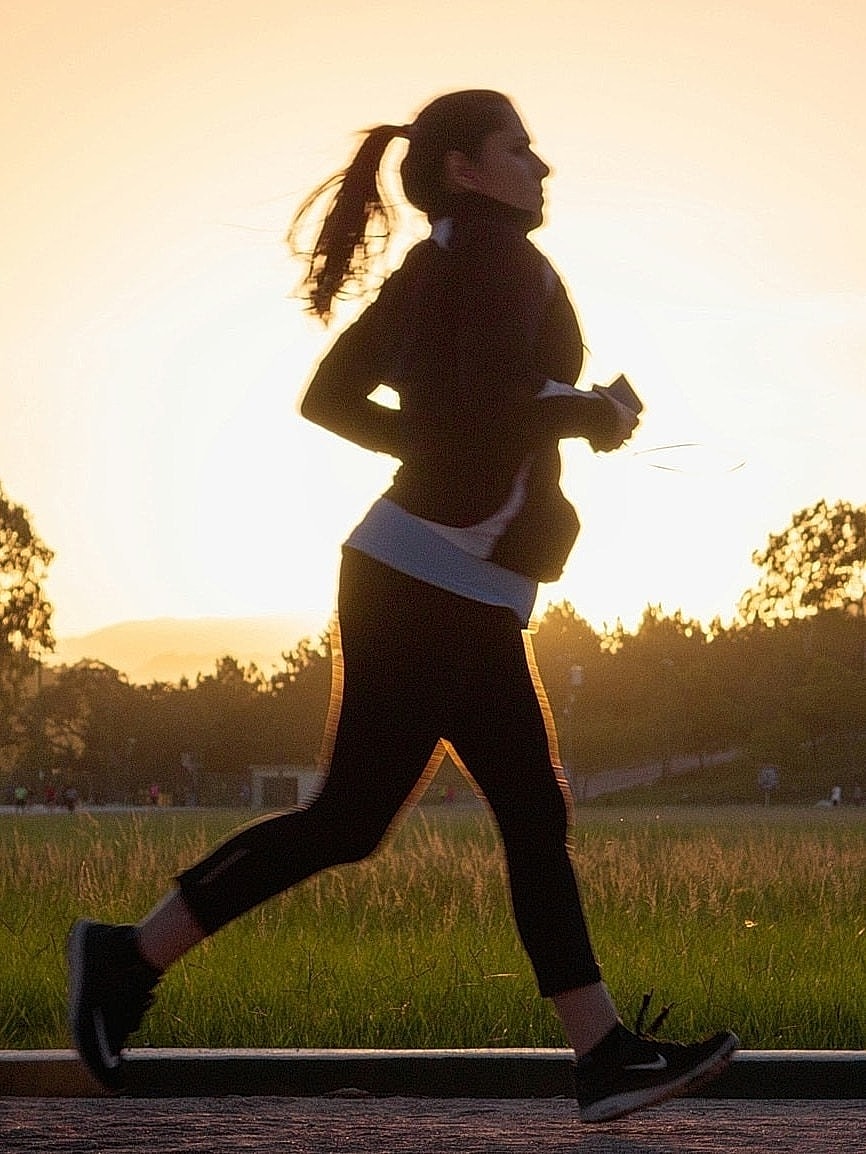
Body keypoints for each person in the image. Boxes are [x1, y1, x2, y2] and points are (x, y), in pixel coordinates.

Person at [67, 89, 737, 1122]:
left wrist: (448, 451)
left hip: (442, 576)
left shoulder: (440, 265)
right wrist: (591, 411)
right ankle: (123, 956)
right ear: (466, 167)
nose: (540, 165)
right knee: (361, 816)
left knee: (520, 809)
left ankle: (600, 1052)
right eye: (519, 147)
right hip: (423, 579)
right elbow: (482, 404)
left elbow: (338, 398)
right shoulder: (491, 263)